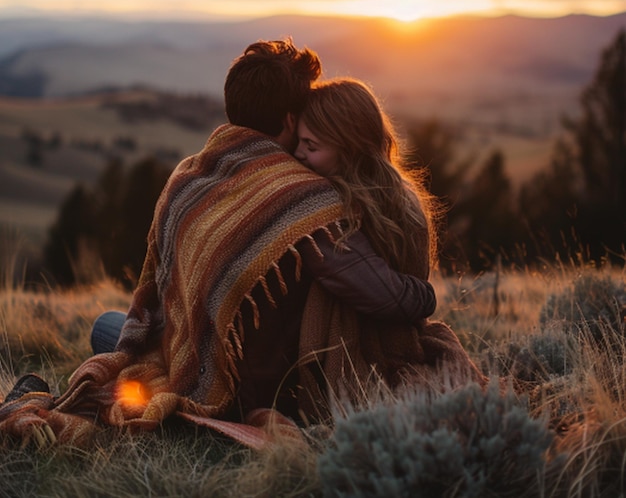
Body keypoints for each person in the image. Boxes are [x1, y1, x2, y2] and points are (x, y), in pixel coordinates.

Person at [0, 39, 437, 447]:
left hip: (199, 360)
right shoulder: (301, 196)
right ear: (289, 120)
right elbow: (384, 293)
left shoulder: (189, 177)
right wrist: (426, 296)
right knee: (111, 335)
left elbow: (158, 296)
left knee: (111, 332)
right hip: (241, 379)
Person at [292, 77, 486, 407]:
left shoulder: (343, 209)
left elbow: (382, 292)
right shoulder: (397, 193)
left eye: (311, 147)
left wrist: (424, 297)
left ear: (349, 148)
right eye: (299, 142)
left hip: (370, 346)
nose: (298, 154)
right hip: (399, 327)